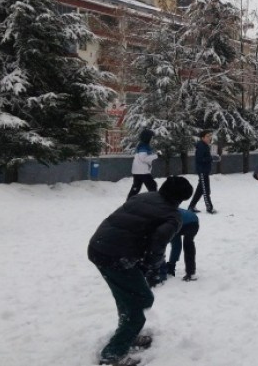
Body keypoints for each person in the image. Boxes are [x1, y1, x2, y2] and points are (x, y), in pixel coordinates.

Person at [88, 176, 193, 366]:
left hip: (97, 247)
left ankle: (128, 334)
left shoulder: (145, 196)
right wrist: (153, 266)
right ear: (181, 199)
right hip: (117, 257)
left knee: (126, 297)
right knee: (140, 300)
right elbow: (159, 241)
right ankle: (112, 355)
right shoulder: (172, 216)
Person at [164, 208, 200, 282]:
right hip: (194, 220)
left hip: (184, 222)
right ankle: (191, 272)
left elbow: (176, 246)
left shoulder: (164, 217)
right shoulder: (167, 209)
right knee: (188, 244)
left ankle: (171, 267)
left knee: (179, 245)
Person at [187, 130, 217, 214]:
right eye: (207, 136)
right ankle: (209, 208)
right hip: (202, 171)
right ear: (202, 137)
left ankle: (191, 207)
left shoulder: (205, 145)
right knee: (206, 190)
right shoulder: (201, 146)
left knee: (200, 190)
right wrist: (211, 158)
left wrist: (211, 158)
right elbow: (199, 159)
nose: (209, 137)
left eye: (210, 136)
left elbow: (205, 158)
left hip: (205, 170)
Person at [127, 129, 159, 200]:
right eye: (151, 137)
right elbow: (144, 158)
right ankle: (156, 202)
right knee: (152, 187)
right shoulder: (144, 146)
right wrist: (156, 155)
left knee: (136, 188)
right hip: (143, 171)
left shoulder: (141, 145)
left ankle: (128, 202)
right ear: (147, 137)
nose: (152, 139)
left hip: (137, 171)